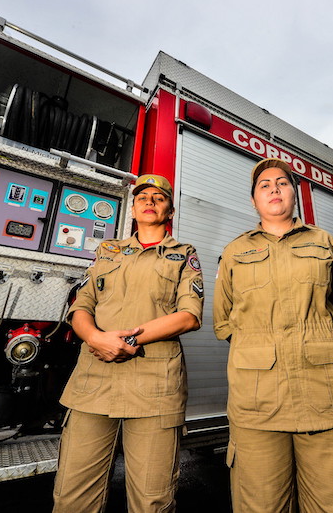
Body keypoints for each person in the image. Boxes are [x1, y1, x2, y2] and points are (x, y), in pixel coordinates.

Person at [214, 157, 333, 512]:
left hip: (324, 396)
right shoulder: (235, 251)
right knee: (261, 504)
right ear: (253, 200)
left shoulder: (325, 241)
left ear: (295, 195)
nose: (274, 189)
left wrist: (313, 339)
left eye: (282, 183)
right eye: (264, 185)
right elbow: (224, 322)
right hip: (257, 403)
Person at [52, 174, 204, 513]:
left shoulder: (183, 253)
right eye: (143, 197)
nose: (149, 202)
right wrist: (93, 337)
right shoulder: (108, 251)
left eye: (158, 198)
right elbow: (81, 305)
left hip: (154, 387)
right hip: (93, 382)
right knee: (72, 496)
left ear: (170, 210)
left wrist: (126, 340)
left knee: (152, 500)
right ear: (133, 208)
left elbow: (189, 315)